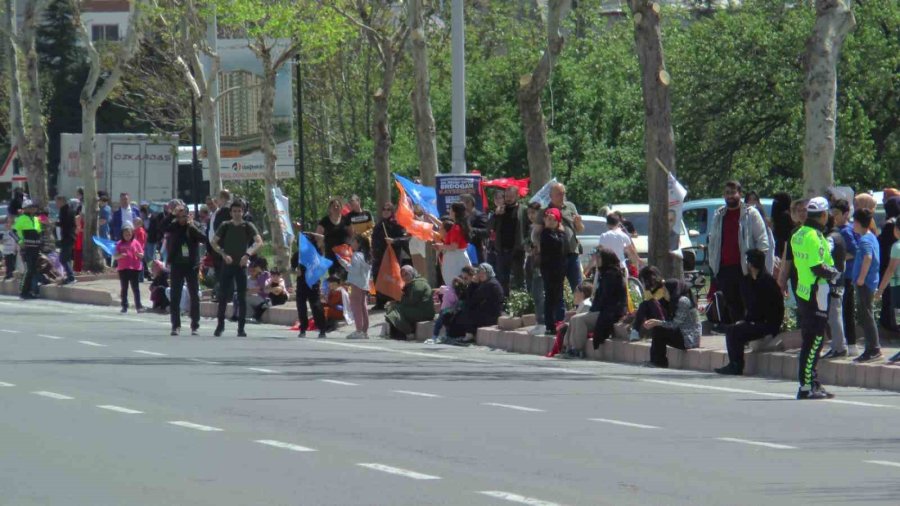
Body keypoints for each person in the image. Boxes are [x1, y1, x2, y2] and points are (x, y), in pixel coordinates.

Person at [792, 197, 841, 400]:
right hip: (816, 292)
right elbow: (817, 267)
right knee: (814, 340)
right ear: (823, 215)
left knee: (811, 339)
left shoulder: (798, 234)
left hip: (804, 290)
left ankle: (812, 382)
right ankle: (806, 386)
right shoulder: (814, 236)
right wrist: (836, 275)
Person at [707, 181, 769, 323]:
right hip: (724, 269)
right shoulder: (719, 214)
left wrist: (756, 265)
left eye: (733, 192)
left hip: (745, 269)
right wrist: (713, 264)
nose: (730, 196)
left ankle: (751, 332)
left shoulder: (751, 214)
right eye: (727, 193)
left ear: (740, 194)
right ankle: (737, 333)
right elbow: (713, 241)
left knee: (750, 305)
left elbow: (762, 241)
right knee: (732, 307)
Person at [715, 249, 784, 375]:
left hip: (768, 323)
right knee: (732, 330)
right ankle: (734, 364)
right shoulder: (747, 281)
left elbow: (768, 309)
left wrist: (749, 321)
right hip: (755, 321)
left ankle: (736, 366)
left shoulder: (767, 282)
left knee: (735, 331)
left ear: (751, 264)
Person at [210, 200, 263, 337]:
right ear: (231, 213)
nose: (237, 213)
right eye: (234, 211)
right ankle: (220, 326)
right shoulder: (225, 225)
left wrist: (247, 254)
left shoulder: (248, 226)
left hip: (241, 265)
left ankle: (241, 328)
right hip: (227, 264)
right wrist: (223, 254)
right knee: (223, 296)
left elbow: (259, 242)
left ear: (243, 212)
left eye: (239, 211)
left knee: (241, 297)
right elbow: (214, 242)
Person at [561, 247, 625, 358]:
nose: (597, 260)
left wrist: (594, 309)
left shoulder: (612, 275)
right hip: (600, 310)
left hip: (609, 312)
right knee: (574, 318)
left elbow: (606, 298)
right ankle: (568, 347)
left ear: (606, 259)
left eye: (599, 258)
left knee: (580, 320)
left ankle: (577, 349)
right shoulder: (604, 273)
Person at [162, 203, 206, 335]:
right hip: (177, 264)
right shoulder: (174, 225)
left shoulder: (195, 225)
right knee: (175, 295)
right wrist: (172, 214)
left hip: (191, 264)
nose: (182, 219)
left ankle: (195, 325)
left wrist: (192, 226)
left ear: (188, 215)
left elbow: (203, 238)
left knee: (194, 295)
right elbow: (162, 227)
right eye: (179, 216)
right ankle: (176, 325)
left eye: (184, 216)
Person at [643, 279, 701, 368]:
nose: (664, 293)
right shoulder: (674, 300)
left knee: (659, 330)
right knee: (658, 328)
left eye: (665, 291)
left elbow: (674, 324)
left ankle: (659, 362)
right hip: (683, 335)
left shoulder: (683, 301)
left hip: (689, 339)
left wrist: (658, 322)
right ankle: (654, 360)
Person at [827, 199, 858, 356]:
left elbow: (855, 251)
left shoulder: (846, 231)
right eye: (832, 213)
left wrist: (838, 257)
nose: (834, 216)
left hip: (846, 276)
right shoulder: (837, 230)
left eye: (837, 213)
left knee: (846, 310)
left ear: (846, 214)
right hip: (841, 275)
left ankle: (850, 343)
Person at [851, 208, 882, 363]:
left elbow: (868, 258)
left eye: (854, 222)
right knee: (867, 315)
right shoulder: (871, 237)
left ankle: (873, 349)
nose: (853, 225)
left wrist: (861, 279)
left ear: (858, 222)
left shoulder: (864, 240)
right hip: (870, 282)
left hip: (865, 284)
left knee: (866, 316)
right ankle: (871, 348)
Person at [819, 206, 849, 359]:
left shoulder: (831, 238)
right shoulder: (838, 236)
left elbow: (824, 255)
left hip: (833, 282)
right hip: (838, 281)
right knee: (834, 314)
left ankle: (840, 348)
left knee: (833, 315)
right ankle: (837, 346)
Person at [448, 263, 504, 342]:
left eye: (483, 273)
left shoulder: (490, 284)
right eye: (479, 272)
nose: (480, 275)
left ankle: (469, 334)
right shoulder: (488, 282)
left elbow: (472, 300)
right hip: (489, 313)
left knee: (467, 312)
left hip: (491, 317)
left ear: (488, 272)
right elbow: (470, 298)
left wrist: (473, 284)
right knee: (462, 313)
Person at [371, 201, 411, 310]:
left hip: (392, 256)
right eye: (384, 209)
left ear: (392, 211)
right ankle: (380, 302)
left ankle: (395, 299)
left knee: (393, 277)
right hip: (379, 256)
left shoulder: (397, 224)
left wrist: (394, 241)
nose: (385, 211)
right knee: (378, 277)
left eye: (388, 209)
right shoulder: (379, 224)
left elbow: (405, 238)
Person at [489, 186, 528, 295]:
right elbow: (490, 228)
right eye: (506, 196)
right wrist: (496, 215)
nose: (508, 199)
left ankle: (521, 299)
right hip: (502, 250)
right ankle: (505, 300)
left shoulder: (523, 210)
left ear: (517, 196)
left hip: (517, 249)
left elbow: (528, 227)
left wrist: (526, 243)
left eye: (511, 196)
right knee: (503, 278)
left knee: (518, 277)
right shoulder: (500, 209)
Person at [548, 183, 585, 292]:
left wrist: (578, 223)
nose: (562, 196)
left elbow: (580, 229)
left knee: (578, 287)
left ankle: (580, 303)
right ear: (551, 196)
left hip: (572, 253)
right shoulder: (545, 211)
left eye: (563, 193)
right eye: (559, 194)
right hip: (555, 256)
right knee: (556, 289)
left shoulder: (570, 206)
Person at [384, 265, 435, 340]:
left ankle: (408, 331)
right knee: (395, 308)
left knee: (396, 309)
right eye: (402, 276)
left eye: (406, 274)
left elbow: (410, 301)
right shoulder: (413, 283)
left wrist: (395, 304)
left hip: (425, 313)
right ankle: (403, 331)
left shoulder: (418, 284)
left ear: (412, 273)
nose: (405, 277)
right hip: (418, 310)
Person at [875, 222, 900, 363]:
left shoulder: (896, 246)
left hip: (897, 286)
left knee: (899, 318)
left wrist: (881, 290)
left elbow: (890, 269)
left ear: (897, 229)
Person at [290, 244, 327, 339]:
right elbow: (292, 269)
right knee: (301, 307)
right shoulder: (297, 255)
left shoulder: (315, 253)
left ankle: (322, 329)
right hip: (301, 284)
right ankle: (303, 329)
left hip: (313, 283)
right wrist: (296, 272)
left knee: (316, 306)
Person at [540, 207, 567, 335]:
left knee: (558, 296)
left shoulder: (555, 233)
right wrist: (561, 233)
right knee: (550, 297)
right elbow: (558, 244)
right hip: (549, 270)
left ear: (558, 221)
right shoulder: (546, 233)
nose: (550, 222)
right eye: (548, 219)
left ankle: (558, 322)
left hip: (558, 269)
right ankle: (550, 324)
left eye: (553, 220)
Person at [435, 202, 472, 289]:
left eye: (451, 210)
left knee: (454, 283)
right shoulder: (459, 225)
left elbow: (454, 246)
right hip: (458, 257)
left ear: (455, 212)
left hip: (455, 259)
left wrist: (440, 246)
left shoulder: (456, 227)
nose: (449, 212)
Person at [877, 198, 900, 332]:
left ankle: (893, 327)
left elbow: (890, 268)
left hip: (892, 275)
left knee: (893, 305)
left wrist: (880, 290)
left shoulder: (888, 226)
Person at [344, 234, 372, 339]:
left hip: (356, 283)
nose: (351, 243)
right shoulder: (366, 255)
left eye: (353, 241)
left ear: (358, 244)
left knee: (356, 306)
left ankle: (359, 330)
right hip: (364, 284)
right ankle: (364, 330)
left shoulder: (356, 255)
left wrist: (345, 264)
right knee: (363, 306)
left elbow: (355, 270)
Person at [524, 202, 546, 335]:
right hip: (531, 261)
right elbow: (527, 243)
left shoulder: (542, 228)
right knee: (534, 292)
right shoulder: (530, 228)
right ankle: (539, 321)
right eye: (529, 213)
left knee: (539, 293)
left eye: (533, 213)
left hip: (540, 262)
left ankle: (542, 322)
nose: (531, 216)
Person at [14, 200, 42, 299]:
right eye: (30, 207)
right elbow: (12, 232)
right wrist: (20, 242)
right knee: (28, 269)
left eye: (34, 207)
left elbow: (38, 233)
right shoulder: (21, 218)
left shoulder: (36, 219)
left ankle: (29, 291)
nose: (33, 209)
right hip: (27, 248)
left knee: (33, 269)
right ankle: (23, 292)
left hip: (35, 248)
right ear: (25, 208)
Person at [317, 197, 350, 278]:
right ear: (330, 209)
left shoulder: (346, 220)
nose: (336, 207)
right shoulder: (325, 221)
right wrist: (320, 249)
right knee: (334, 277)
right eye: (333, 206)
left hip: (344, 254)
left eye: (338, 206)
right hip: (331, 254)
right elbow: (318, 236)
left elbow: (352, 235)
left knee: (345, 276)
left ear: (341, 208)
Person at [428, 276, 468, 344]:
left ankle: (445, 335)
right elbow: (440, 290)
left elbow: (457, 303)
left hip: (449, 310)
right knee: (440, 323)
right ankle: (436, 336)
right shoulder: (449, 289)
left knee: (446, 323)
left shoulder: (457, 292)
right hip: (445, 310)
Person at [114, 224, 144, 313]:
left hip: (134, 268)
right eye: (125, 234)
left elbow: (142, 255)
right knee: (124, 288)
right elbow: (115, 256)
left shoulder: (136, 243)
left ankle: (138, 306)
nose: (127, 236)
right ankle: (124, 306)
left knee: (135, 288)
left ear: (132, 234)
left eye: (129, 234)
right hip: (123, 269)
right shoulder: (119, 244)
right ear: (122, 235)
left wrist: (138, 254)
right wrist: (120, 255)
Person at [459, 193, 490, 264]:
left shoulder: (480, 215)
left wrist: (471, 229)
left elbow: (486, 232)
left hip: (476, 252)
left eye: (461, 204)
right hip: (463, 252)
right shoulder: (462, 217)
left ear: (469, 202)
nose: (460, 207)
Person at [55, 195, 77, 284]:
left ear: (62, 201)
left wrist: (54, 223)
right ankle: (69, 276)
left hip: (68, 237)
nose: (56, 204)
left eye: (57, 202)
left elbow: (65, 224)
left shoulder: (66, 210)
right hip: (68, 237)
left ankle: (71, 277)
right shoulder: (66, 210)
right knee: (66, 258)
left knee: (63, 258)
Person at [246, 257, 272, 322]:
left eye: (256, 266)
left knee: (245, 298)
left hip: (266, 298)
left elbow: (262, 288)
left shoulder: (267, 275)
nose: (255, 268)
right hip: (260, 296)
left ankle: (254, 317)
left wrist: (248, 292)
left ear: (259, 266)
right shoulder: (260, 275)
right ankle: (249, 316)